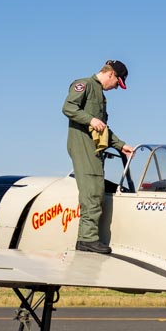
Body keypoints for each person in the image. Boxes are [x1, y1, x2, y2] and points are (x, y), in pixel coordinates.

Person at [62, 59, 135, 254]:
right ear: (111, 74)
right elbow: (68, 107)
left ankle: (86, 239)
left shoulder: (100, 95)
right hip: (83, 146)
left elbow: (103, 130)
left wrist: (121, 146)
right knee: (92, 191)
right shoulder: (84, 85)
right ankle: (87, 239)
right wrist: (91, 119)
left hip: (94, 148)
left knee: (97, 189)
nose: (116, 88)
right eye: (117, 84)